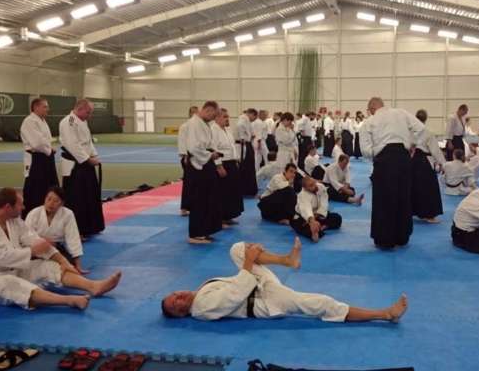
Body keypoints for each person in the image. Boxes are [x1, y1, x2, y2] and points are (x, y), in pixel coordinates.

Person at [161, 239, 408, 322]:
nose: (179, 297)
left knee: (236, 248)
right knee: (321, 303)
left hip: (255, 285)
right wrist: (250, 262)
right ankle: (384, 314)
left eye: (174, 294)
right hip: (265, 301)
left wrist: (248, 259)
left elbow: (240, 281)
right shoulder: (201, 307)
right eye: (176, 304)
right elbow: (235, 295)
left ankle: (287, 260)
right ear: (182, 313)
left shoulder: (200, 291)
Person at [0, 188, 122, 310]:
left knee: (48, 267)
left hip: (11, 268)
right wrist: (33, 251)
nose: (23, 207)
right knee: (11, 284)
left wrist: (63, 261)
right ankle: (69, 300)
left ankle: (93, 286)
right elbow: (3, 257)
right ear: (7, 207)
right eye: (20, 204)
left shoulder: (13, 220)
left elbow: (36, 240)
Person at [360, 97, 425, 249]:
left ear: (371, 109)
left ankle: (385, 239)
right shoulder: (401, 113)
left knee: (384, 199)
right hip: (403, 158)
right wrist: (411, 144)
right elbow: (421, 128)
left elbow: (365, 150)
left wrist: (376, 153)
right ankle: (402, 237)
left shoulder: (370, 121)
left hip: (384, 160)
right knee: (403, 197)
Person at [59, 99, 104, 238]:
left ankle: (91, 226)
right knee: (76, 199)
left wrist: (94, 155)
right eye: (88, 112)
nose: (89, 115)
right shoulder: (68, 122)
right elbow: (73, 145)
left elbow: (88, 141)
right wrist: (87, 159)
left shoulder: (83, 121)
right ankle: (76, 230)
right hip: (75, 165)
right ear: (79, 109)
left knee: (90, 196)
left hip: (86, 163)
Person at [186, 102, 224, 244]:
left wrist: (213, 154)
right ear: (208, 110)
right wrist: (210, 155)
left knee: (207, 199)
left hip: (205, 163)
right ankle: (195, 234)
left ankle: (202, 231)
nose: (213, 119)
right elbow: (193, 147)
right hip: (198, 166)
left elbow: (206, 144)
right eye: (213, 115)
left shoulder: (203, 123)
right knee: (199, 200)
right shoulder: (194, 124)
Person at [25, 186, 85, 273]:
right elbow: (27, 235)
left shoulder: (67, 214)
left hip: (57, 248)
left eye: (56, 201)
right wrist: (43, 242)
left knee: (69, 266)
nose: (51, 203)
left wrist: (78, 264)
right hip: (37, 248)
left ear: (62, 203)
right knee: (25, 263)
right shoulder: (34, 213)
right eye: (49, 199)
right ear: (45, 199)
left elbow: (73, 238)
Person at [20, 98, 58, 216]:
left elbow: (46, 139)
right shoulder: (29, 121)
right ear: (36, 107)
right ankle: (31, 216)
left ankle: (47, 213)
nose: (48, 109)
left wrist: (49, 149)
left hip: (46, 158)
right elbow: (37, 142)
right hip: (36, 159)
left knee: (49, 187)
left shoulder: (42, 121)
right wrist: (49, 150)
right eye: (45, 107)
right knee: (35, 189)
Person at [212, 108, 244, 225]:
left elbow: (232, 146)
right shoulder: (213, 130)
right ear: (217, 117)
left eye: (227, 116)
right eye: (224, 116)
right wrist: (219, 166)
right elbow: (214, 149)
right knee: (222, 192)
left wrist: (236, 159)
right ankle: (219, 218)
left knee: (232, 191)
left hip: (231, 162)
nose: (227, 119)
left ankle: (228, 216)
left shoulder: (227, 129)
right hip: (222, 163)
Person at [412, 109, 445, 223]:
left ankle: (413, 211)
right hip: (422, 161)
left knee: (412, 186)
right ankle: (429, 215)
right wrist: (443, 164)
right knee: (428, 188)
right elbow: (435, 151)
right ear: (425, 119)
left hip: (411, 160)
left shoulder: (410, 131)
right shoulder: (428, 132)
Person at [291, 177, 342, 242]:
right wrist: (312, 221)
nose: (314, 186)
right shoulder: (302, 195)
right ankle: (315, 232)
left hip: (318, 214)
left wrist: (318, 214)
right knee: (304, 227)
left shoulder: (320, 187)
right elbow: (306, 209)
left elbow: (324, 202)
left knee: (337, 218)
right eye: (311, 186)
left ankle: (323, 227)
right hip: (304, 218)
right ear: (305, 188)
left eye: (314, 183)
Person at [178, 106, 198, 216]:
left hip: (198, 159)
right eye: (193, 113)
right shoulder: (185, 126)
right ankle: (184, 208)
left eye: (196, 113)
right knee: (188, 183)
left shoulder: (198, 127)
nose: (195, 115)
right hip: (188, 158)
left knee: (196, 183)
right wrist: (184, 156)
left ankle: (193, 205)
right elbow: (182, 141)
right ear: (189, 114)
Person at [236, 109, 258, 196]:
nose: (254, 120)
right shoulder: (242, 121)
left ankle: (248, 189)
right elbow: (242, 137)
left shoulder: (246, 121)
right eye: (254, 117)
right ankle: (245, 189)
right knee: (245, 167)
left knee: (249, 167)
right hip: (243, 146)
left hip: (247, 144)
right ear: (251, 114)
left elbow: (251, 134)